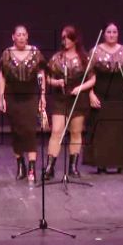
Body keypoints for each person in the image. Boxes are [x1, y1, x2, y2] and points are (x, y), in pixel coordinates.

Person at [42, 25, 96, 181]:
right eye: (63, 38)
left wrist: (80, 88)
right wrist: (56, 82)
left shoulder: (84, 58)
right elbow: (47, 77)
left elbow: (92, 79)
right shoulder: (57, 58)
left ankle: (73, 166)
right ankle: (50, 167)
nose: (64, 40)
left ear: (75, 39)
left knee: (76, 132)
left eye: (67, 37)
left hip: (78, 98)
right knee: (56, 131)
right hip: (61, 98)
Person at [0, 25, 46, 180]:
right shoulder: (7, 54)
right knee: (16, 131)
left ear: (27, 36)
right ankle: (20, 165)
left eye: (24, 34)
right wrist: (1, 97)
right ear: (13, 37)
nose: (21, 37)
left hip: (30, 95)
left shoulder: (35, 53)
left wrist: (42, 95)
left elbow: (41, 73)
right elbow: (2, 76)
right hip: (12, 96)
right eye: (18, 35)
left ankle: (32, 167)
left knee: (30, 130)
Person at [85, 23, 123, 174]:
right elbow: (88, 75)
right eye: (109, 32)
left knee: (120, 130)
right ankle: (101, 163)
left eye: (114, 32)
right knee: (102, 129)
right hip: (101, 92)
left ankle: (121, 164)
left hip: (120, 93)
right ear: (104, 34)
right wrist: (90, 94)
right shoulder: (95, 51)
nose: (112, 35)